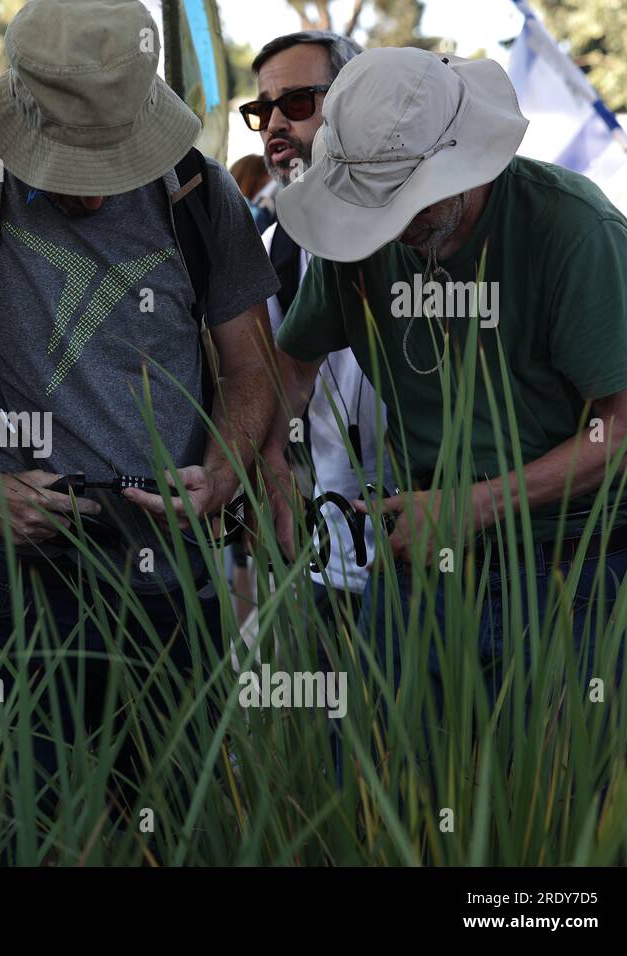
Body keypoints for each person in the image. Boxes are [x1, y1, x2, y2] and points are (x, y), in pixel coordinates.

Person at [0, 0, 279, 834]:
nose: (90, 190)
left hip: (166, 576)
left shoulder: (200, 196)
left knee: (170, 825)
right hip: (4, 582)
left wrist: (221, 475)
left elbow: (251, 368)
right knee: (8, 829)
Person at [267, 48, 627, 718]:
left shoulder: (572, 231)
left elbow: (626, 426)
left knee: (557, 806)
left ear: (465, 163)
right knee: (384, 788)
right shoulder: (356, 246)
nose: (391, 229)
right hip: (416, 561)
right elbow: (293, 366)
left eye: (405, 205)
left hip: (571, 569)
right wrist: (265, 461)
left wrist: (477, 503)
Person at [245, 30, 383, 632]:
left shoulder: (430, 223)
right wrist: (265, 462)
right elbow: (268, 384)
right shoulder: (271, 248)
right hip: (331, 563)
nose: (275, 124)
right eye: (261, 110)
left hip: (460, 559)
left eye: (298, 103)